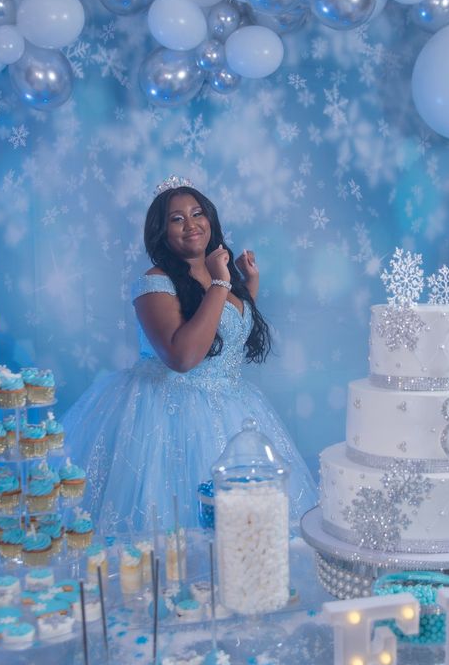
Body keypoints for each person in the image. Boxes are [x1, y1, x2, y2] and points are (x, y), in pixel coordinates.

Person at [63, 177, 317, 533]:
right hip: (169, 412)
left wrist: (247, 288)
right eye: (176, 219)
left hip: (233, 408)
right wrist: (221, 284)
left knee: (240, 531)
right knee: (182, 525)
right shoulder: (156, 282)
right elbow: (183, 358)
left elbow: (223, 342)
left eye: (197, 214)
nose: (191, 224)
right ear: (161, 232)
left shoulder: (221, 277)